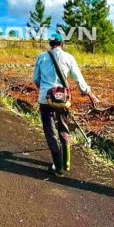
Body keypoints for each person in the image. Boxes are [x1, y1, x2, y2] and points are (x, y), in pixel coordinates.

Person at [33, 32, 98, 176]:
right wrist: (89, 94)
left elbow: (36, 79)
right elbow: (78, 78)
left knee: (50, 132)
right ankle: (67, 161)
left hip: (45, 100)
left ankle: (58, 166)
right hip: (63, 100)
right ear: (62, 44)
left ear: (50, 45)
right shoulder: (69, 57)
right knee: (63, 127)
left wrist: (44, 91)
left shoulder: (42, 57)